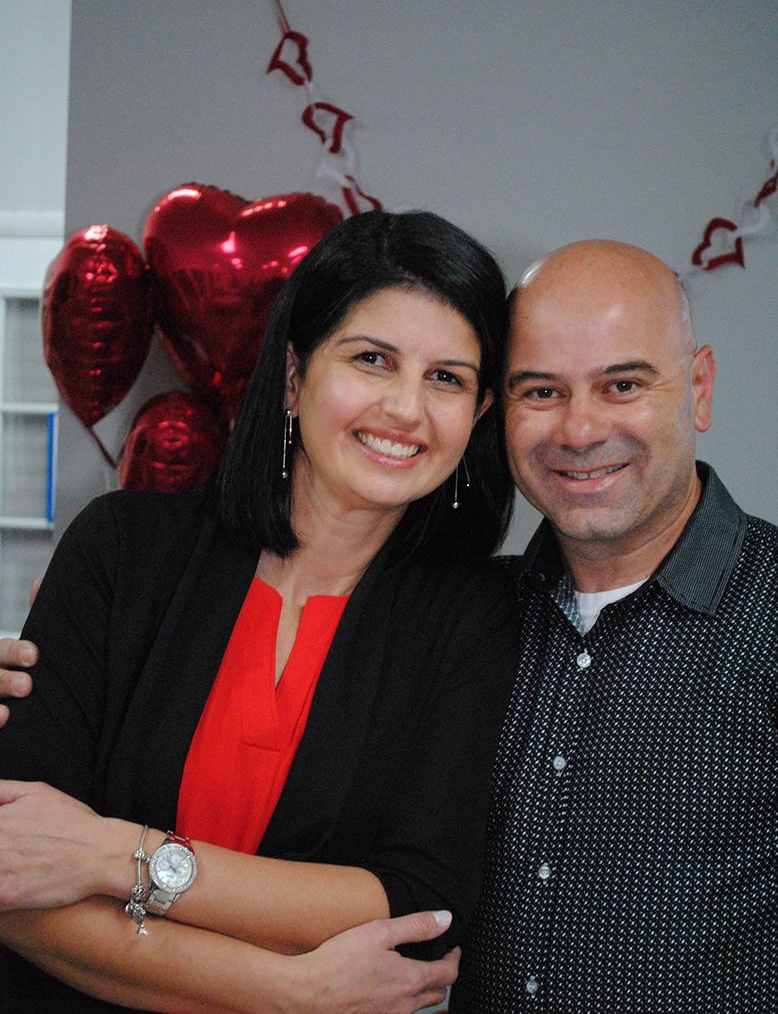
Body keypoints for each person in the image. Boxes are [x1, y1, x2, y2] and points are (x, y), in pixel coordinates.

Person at [0, 209, 519, 1013]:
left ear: (479, 414)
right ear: (293, 375)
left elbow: (414, 903)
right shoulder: (120, 549)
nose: (406, 408)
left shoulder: (475, 617)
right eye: (373, 360)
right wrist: (287, 990)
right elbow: (14, 870)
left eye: (446, 378)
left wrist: (110, 854)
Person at [450, 240, 778, 1012]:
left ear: (698, 388)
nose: (579, 429)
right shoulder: (470, 618)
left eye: (622, 384)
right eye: (541, 391)